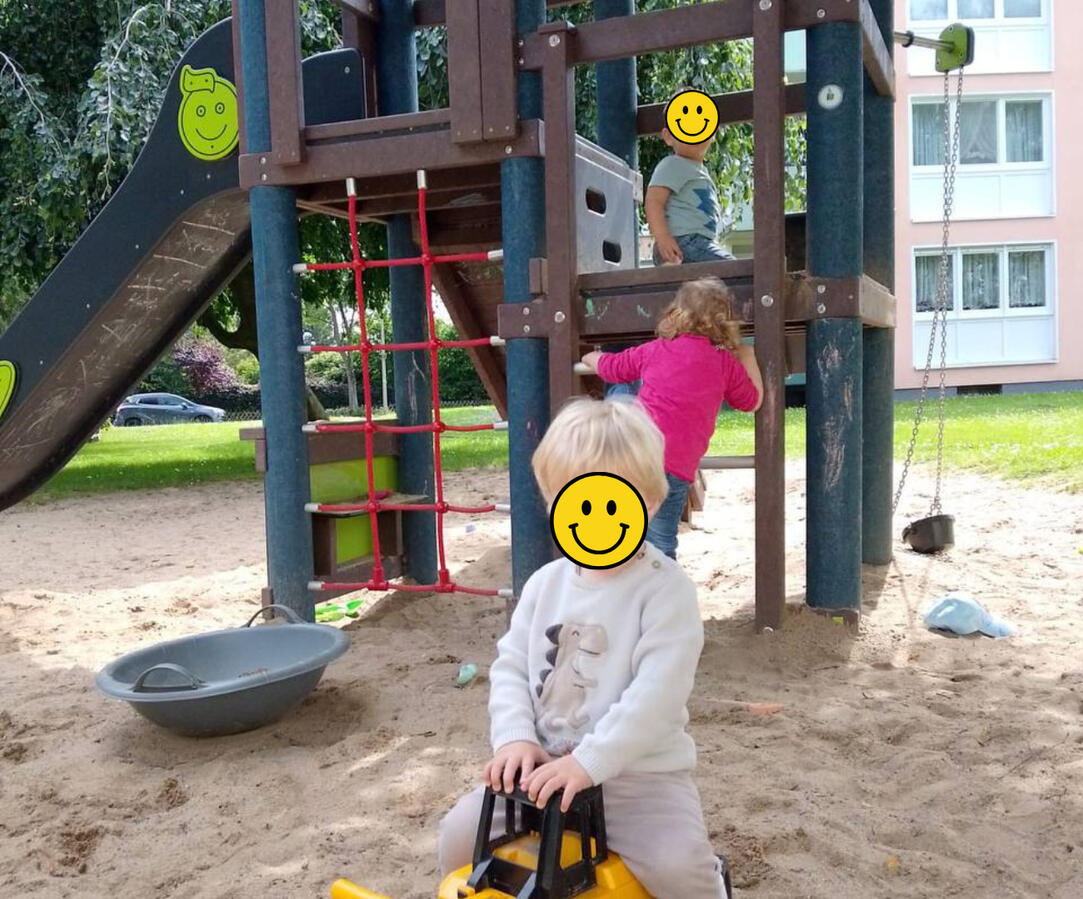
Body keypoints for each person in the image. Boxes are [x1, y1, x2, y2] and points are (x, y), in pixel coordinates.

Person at [437, 398, 730, 899]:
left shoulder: (664, 591)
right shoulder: (545, 584)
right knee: (459, 833)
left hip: (638, 783)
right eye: (580, 503)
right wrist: (513, 737)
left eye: (614, 503)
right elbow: (510, 666)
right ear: (555, 503)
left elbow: (655, 699)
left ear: (652, 502)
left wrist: (591, 761)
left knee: (682, 869)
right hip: (542, 774)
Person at [581, 278, 763, 559]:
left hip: (637, 456)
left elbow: (613, 368)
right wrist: (747, 354)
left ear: (675, 314)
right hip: (676, 469)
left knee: (623, 528)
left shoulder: (656, 349)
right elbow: (752, 402)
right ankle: (661, 590)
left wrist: (592, 357)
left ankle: (616, 579)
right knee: (662, 541)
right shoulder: (724, 362)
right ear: (724, 322)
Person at [646, 121, 733, 266]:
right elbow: (654, 201)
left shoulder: (700, 171)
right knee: (737, 270)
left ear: (713, 134)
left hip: (698, 244)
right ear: (668, 136)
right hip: (682, 242)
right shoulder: (673, 164)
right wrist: (663, 238)